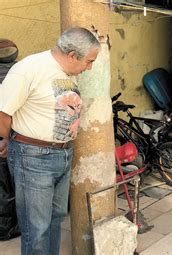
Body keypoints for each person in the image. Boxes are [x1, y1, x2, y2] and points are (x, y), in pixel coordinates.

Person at [0, 27, 100, 255]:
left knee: (55, 219)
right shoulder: (29, 69)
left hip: (62, 154)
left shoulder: (68, 73)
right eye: (89, 61)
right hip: (34, 157)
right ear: (73, 54)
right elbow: (2, 112)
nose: (89, 67)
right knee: (37, 228)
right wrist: (11, 139)